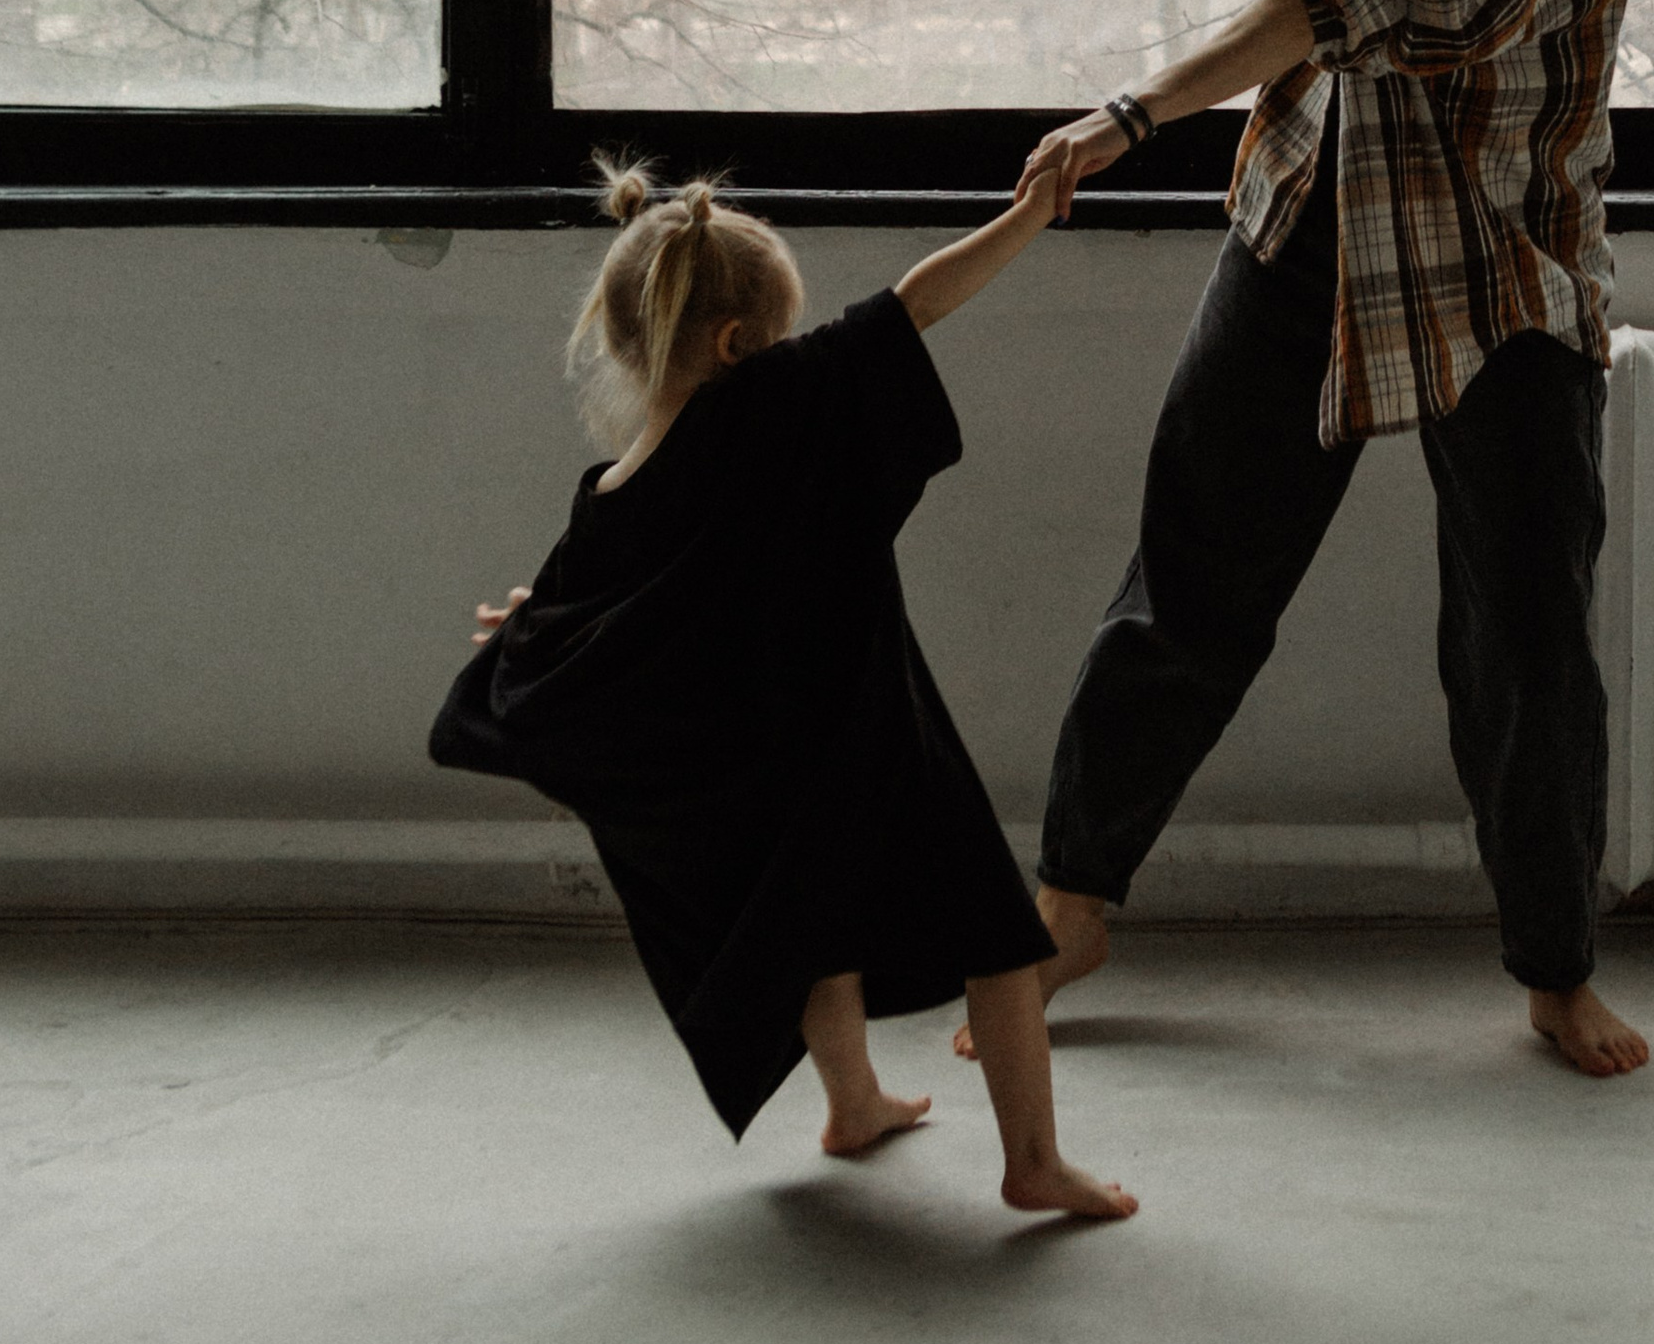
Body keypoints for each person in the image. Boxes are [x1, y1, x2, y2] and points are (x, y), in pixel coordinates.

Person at [993, 0, 1648, 1082]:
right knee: (1191, 578)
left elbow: (1322, 0)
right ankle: (1070, 898)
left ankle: (1557, 971)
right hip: (1311, 219)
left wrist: (1125, 120)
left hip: (1494, 278)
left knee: (1520, 642)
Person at [431, 159, 1136, 1221]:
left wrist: (530, 619)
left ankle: (854, 1107)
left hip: (769, 775)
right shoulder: (774, 405)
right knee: (999, 949)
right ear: (737, 345)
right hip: (875, 738)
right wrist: (1026, 213)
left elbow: (604, 600)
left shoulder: (616, 486)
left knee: (810, 933)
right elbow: (917, 302)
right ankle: (1032, 1162)